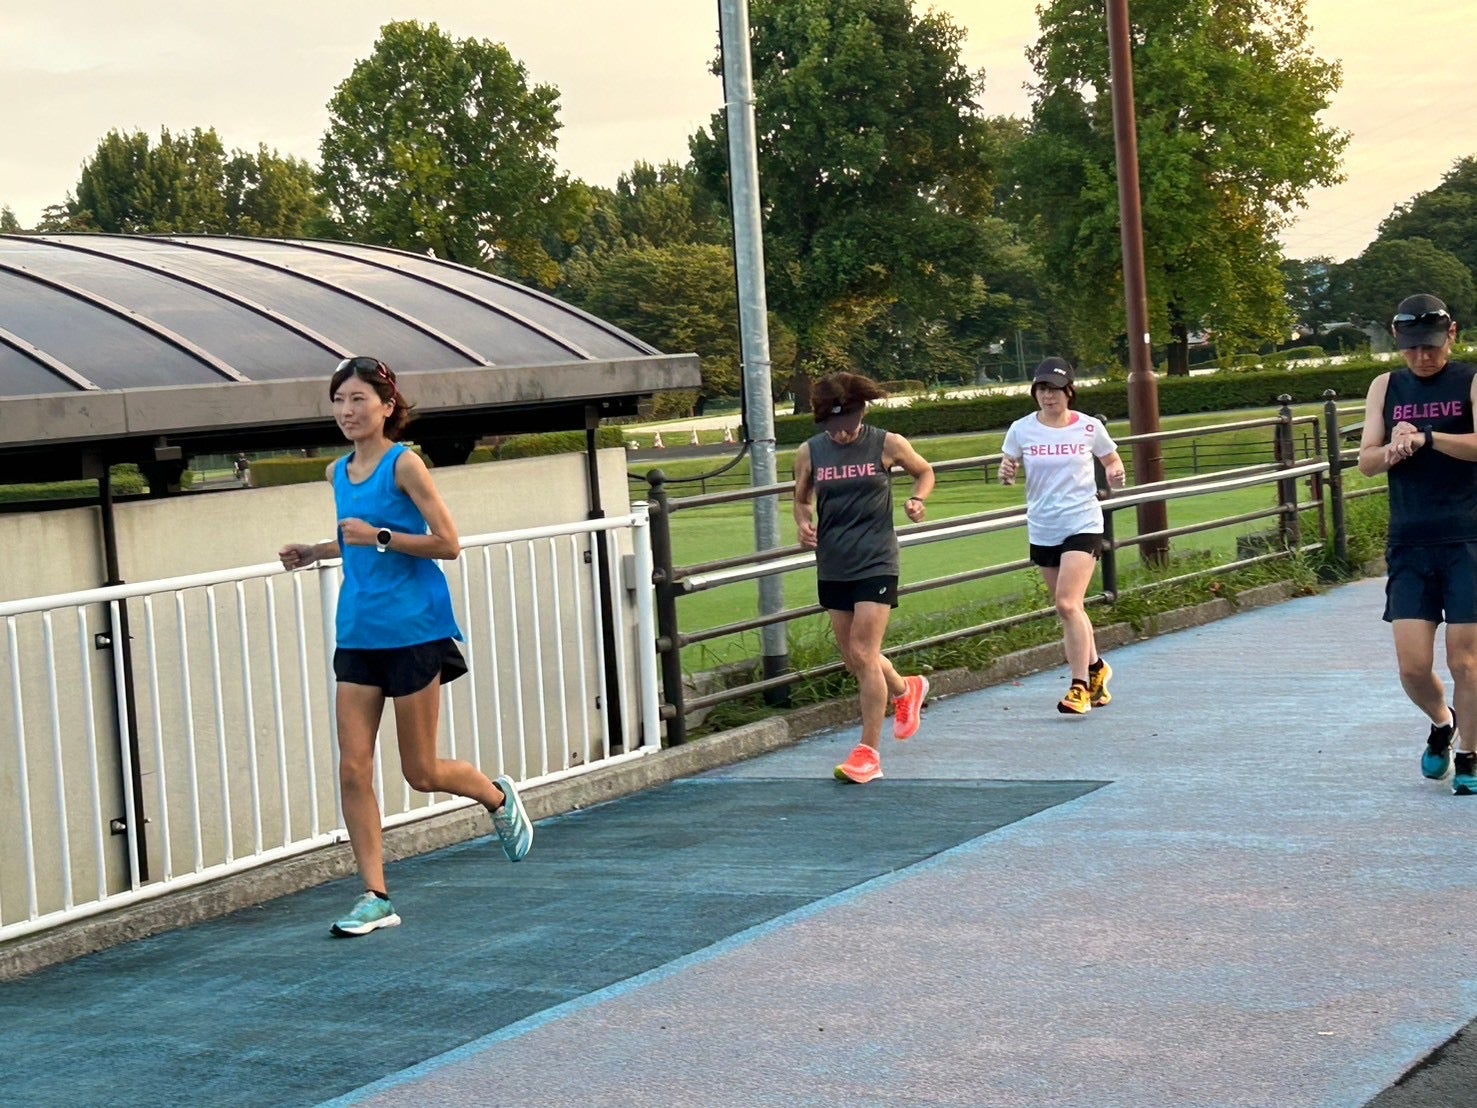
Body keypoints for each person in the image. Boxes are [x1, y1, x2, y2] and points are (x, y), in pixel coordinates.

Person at [278, 355, 533, 936]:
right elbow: (355, 539)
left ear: (387, 406)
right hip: (358, 631)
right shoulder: (337, 472)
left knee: (421, 770)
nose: (347, 410)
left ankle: (495, 797)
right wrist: (316, 551)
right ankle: (375, 895)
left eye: (358, 399)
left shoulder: (405, 464)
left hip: (415, 629)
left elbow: (448, 543)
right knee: (353, 768)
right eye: (338, 400)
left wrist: (381, 536)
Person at [1357, 293, 1477, 795]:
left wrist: (1428, 437)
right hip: (1410, 540)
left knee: (1465, 662)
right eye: (1412, 348)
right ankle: (1443, 722)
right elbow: (1366, 461)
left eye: (1431, 346)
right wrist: (1395, 446)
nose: (1422, 357)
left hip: (1467, 538)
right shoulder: (1385, 386)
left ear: (1451, 335)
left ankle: (1469, 756)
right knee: (1412, 668)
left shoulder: (1470, 380)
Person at [792, 371, 935, 784]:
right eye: (835, 426)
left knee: (864, 650)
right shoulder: (810, 452)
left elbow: (924, 471)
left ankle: (868, 752)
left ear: (862, 413)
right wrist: (803, 524)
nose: (843, 433)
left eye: (850, 423)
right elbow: (801, 499)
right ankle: (905, 689)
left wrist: (917, 499)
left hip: (876, 560)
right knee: (854, 659)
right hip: (833, 561)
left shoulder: (887, 443)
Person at [999, 358, 1126, 714]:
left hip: (1082, 521)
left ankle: (1078, 687)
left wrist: (1116, 473)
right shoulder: (1021, 429)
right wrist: (1006, 472)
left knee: (1067, 604)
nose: (1048, 396)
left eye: (1054, 389)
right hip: (1044, 525)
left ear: (1069, 391)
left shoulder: (1088, 427)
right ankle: (1097, 667)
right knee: (1071, 609)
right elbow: (1008, 466)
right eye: (1041, 389)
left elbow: (1112, 460)